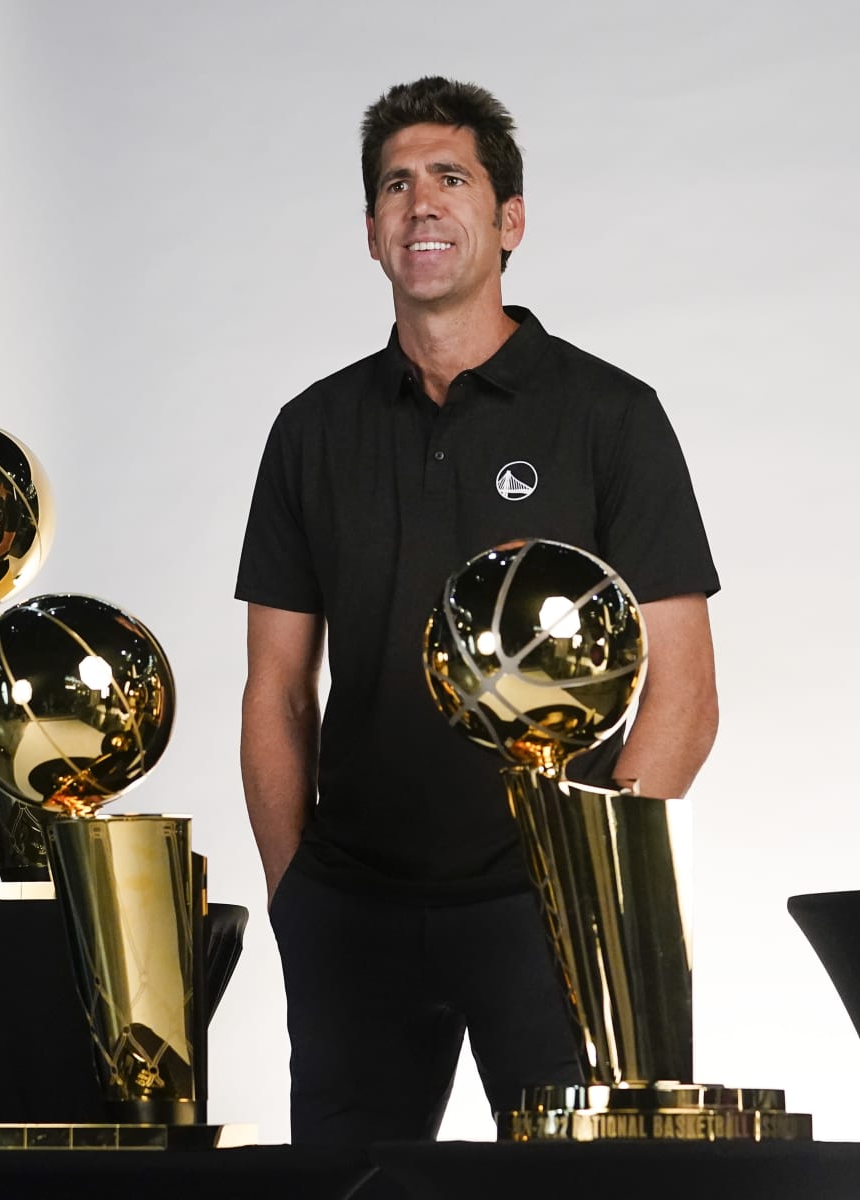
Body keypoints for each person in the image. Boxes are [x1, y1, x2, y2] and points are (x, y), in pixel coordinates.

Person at [235, 76, 719, 1146]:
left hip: (549, 912)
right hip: (354, 910)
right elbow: (276, 688)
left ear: (508, 221)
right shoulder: (311, 431)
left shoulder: (611, 417)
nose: (422, 205)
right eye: (396, 185)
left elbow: (684, 693)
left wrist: (593, 893)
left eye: (451, 178)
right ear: (370, 231)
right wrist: (296, 897)